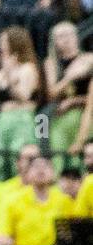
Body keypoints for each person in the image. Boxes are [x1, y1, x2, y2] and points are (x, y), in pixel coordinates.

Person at [0, 25, 42, 179]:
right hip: (3, 119)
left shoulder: (28, 68)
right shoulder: (1, 71)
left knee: (19, 160)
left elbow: (24, 96)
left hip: (22, 119)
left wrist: (9, 75)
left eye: (2, 42)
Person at [0, 155, 73, 245]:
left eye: (46, 166)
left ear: (53, 173)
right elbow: (3, 237)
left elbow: (70, 235)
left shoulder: (65, 200)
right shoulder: (12, 201)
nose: (41, 170)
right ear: (27, 174)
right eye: (36, 167)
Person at [44, 21, 92, 171]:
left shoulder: (90, 59)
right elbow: (51, 94)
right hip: (59, 118)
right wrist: (70, 77)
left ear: (77, 37)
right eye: (60, 36)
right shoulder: (51, 63)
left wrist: (74, 101)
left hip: (86, 116)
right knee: (57, 158)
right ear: (54, 42)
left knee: (82, 160)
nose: (66, 39)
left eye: (69, 35)